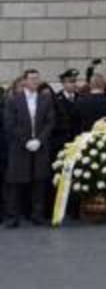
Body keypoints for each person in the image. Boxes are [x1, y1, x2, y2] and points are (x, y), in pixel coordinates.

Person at [4, 70, 54, 227]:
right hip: (20, 147)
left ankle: (37, 215)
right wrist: (26, 141)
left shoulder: (45, 99)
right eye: (32, 78)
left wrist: (39, 140)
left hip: (40, 146)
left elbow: (50, 121)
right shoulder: (13, 100)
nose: (35, 81)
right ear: (24, 81)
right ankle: (13, 217)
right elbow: (10, 123)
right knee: (16, 183)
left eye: (37, 78)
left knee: (39, 181)